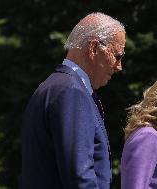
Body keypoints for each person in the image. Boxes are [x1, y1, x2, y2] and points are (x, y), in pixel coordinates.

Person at [21, 12, 126, 189]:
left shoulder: (52, 87)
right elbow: (80, 178)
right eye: (118, 55)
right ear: (93, 48)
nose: (119, 67)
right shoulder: (72, 92)